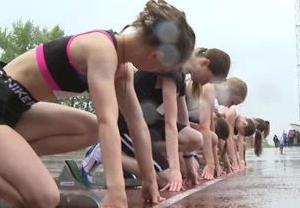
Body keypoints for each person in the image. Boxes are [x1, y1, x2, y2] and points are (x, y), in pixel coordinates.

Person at [0, 0, 196, 208]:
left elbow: (136, 122)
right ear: (157, 57)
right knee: (44, 200)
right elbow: (109, 121)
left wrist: (150, 179)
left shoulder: (122, 68)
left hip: (19, 112)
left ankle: (4, 160)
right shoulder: (102, 49)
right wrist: (116, 192)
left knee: (90, 127)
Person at [80, 47, 231, 191]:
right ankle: (102, 151)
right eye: (209, 79)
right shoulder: (172, 69)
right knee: (165, 180)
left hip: (146, 123)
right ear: (204, 63)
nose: (206, 84)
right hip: (126, 123)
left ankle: (134, 156)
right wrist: (174, 170)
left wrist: (190, 165)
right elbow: (170, 123)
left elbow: (183, 118)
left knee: (195, 139)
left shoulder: (181, 73)